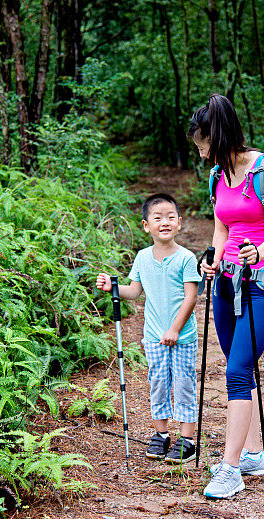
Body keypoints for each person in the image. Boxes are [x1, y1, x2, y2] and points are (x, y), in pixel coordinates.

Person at [191, 94, 264, 498]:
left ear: (216, 136)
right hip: (226, 280)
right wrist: (212, 260)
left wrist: (260, 251)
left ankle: (230, 469)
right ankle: (253, 454)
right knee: (238, 368)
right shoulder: (219, 176)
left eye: (202, 144)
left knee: (237, 370)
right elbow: (221, 229)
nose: (201, 153)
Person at [96, 193, 200, 463]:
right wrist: (113, 288)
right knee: (158, 383)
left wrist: (176, 329)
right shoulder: (142, 257)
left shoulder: (186, 258)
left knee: (184, 383)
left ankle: (187, 439)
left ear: (179, 223)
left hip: (183, 336)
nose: (164, 222)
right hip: (153, 335)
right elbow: (134, 291)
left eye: (170, 217)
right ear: (146, 226)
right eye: (157, 218)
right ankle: (161, 435)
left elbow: (191, 297)